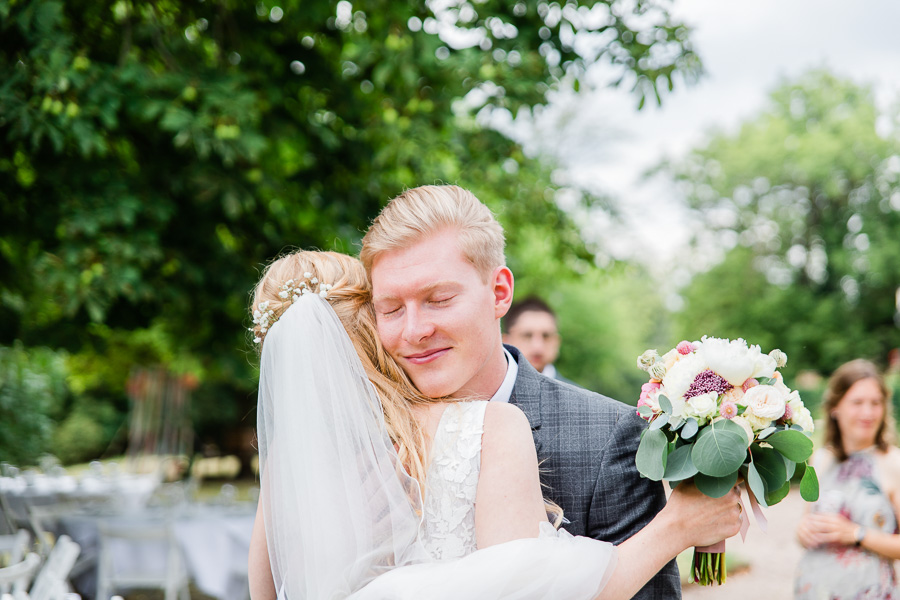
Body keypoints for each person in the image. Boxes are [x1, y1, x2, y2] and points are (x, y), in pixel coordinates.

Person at [247, 250, 742, 600]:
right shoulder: (487, 426)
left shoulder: (286, 467)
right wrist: (677, 527)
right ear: (369, 322)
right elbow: (530, 591)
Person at [359, 184, 728, 597]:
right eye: (390, 309)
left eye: (439, 299)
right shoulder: (357, 437)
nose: (413, 331)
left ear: (499, 293)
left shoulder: (609, 436)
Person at [795, 359, 900, 599]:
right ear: (835, 407)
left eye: (875, 403)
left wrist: (857, 534)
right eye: (857, 402)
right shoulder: (821, 459)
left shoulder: (894, 463)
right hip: (813, 589)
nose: (867, 412)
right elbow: (804, 526)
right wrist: (802, 532)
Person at [503, 296, 576, 385]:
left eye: (546, 336)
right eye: (527, 335)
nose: (538, 347)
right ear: (505, 341)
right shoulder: (491, 394)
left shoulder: (579, 397)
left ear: (557, 342)